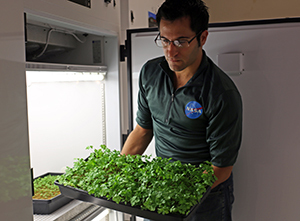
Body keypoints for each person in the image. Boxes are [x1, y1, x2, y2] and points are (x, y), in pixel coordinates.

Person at [121, 0, 242, 220]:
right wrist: (116, 173)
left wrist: (179, 195)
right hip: (162, 187)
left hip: (207, 197)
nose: (171, 51)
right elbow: (142, 131)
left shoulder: (220, 92)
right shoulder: (150, 73)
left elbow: (221, 169)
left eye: (180, 41)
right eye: (164, 40)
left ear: (202, 38)